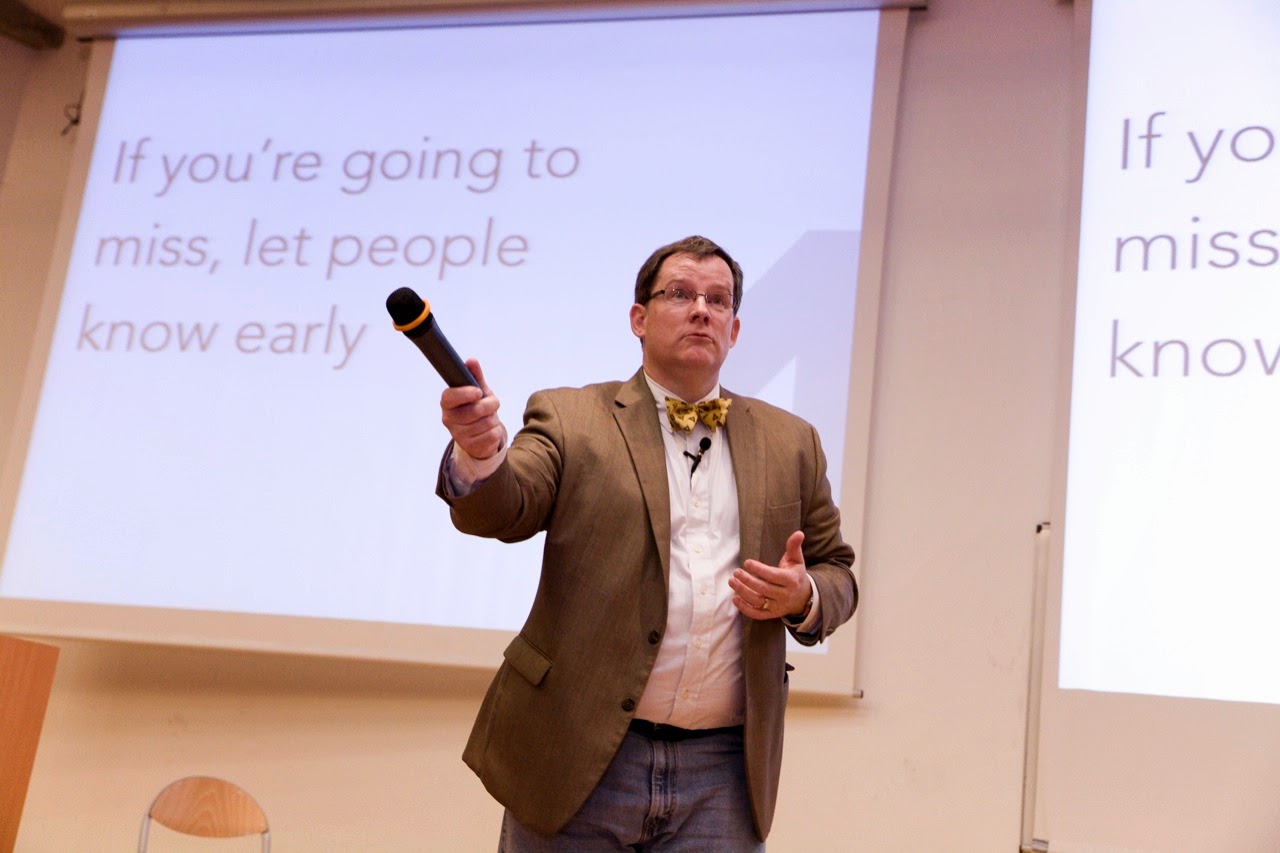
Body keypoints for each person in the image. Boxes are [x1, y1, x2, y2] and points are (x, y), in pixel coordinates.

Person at [436, 235, 857, 851]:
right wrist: (480, 453)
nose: (701, 310)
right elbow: (508, 507)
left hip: (724, 772)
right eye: (680, 294)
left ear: (735, 330)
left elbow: (837, 572)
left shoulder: (792, 441)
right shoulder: (571, 417)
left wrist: (805, 595)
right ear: (639, 318)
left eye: (718, 300)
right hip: (580, 752)